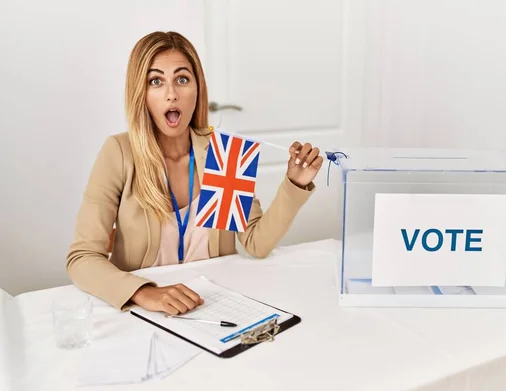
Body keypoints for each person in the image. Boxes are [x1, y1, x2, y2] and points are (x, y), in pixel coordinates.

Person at [66, 31, 322, 315]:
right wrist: (144, 293)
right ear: (141, 93)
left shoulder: (222, 153)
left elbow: (256, 243)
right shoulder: (119, 152)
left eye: (182, 79)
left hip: (218, 304)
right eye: (156, 81)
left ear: (197, 89)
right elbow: (82, 258)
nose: (171, 93)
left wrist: (294, 185)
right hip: (145, 314)